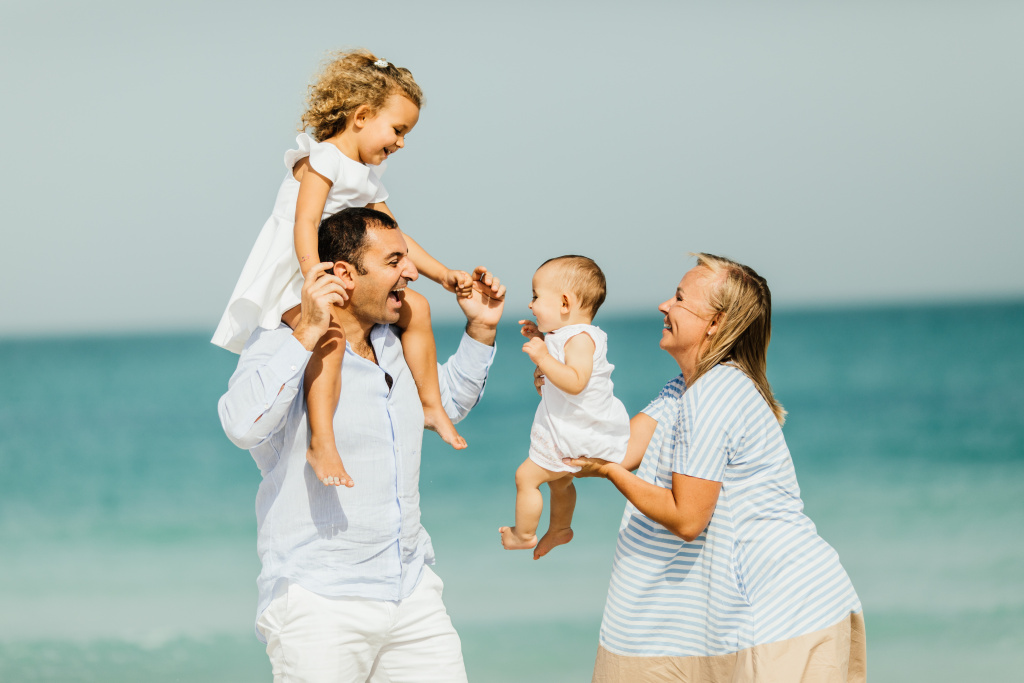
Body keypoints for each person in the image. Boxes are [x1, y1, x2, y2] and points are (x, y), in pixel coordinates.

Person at [217, 207, 505, 683]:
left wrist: (481, 329)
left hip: (411, 593)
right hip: (320, 602)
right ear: (346, 274)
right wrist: (307, 333)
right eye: (394, 261)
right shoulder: (281, 340)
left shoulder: (398, 342)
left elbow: (446, 405)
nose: (411, 272)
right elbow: (240, 425)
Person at [564, 254, 866, 682]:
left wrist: (613, 475)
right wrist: (564, 383)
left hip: (779, 618)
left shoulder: (714, 394)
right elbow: (614, 448)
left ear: (715, 323)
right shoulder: (682, 390)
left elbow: (687, 518)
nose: (664, 305)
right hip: (754, 618)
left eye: (679, 298)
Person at [213, 49, 475, 493]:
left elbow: (395, 235)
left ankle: (431, 405)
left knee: (419, 309)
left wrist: (443, 274)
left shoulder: (368, 175)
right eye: (398, 130)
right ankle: (322, 440)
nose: (401, 143)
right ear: (362, 116)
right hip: (298, 274)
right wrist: (313, 278)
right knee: (330, 336)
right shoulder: (323, 159)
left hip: (335, 269)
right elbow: (305, 223)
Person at [499, 256, 629, 559]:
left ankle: (523, 535)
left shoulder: (581, 340)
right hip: (573, 427)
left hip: (576, 430)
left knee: (526, 477)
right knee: (560, 482)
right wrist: (540, 340)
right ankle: (560, 528)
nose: (530, 304)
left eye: (535, 296)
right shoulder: (565, 337)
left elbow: (576, 382)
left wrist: (543, 358)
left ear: (565, 303)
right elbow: (560, 376)